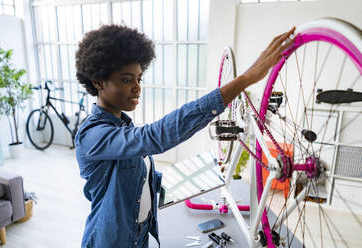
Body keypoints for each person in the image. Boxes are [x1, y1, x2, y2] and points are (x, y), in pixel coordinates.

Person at [75, 24, 295, 248]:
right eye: (126, 79)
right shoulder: (92, 136)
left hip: (138, 238)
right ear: (98, 81)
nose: (137, 88)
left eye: (139, 79)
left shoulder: (123, 128)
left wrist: (201, 175)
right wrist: (245, 80)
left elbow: (142, 182)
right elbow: (154, 138)